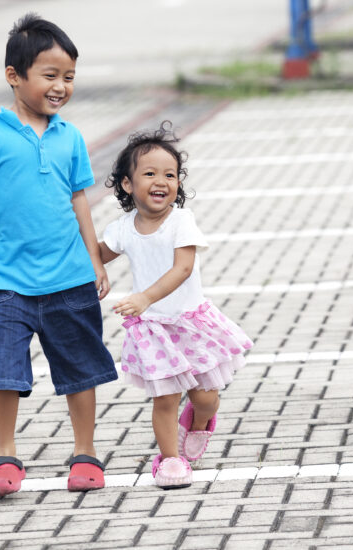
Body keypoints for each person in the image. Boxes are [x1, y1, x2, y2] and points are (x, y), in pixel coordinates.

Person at [0, 13, 117, 498]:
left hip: (70, 275)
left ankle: (85, 454)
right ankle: (6, 456)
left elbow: (80, 200)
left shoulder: (70, 137)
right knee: (4, 369)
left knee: (81, 368)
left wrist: (96, 259)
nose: (61, 86)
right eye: (50, 75)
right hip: (9, 280)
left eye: (69, 77)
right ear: (14, 76)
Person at [100, 122, 253, 489]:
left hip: (191, 323)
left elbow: (183, 268)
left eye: (170, 174)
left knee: (206, 398)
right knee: (164, 398)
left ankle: (200, 422)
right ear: (127, 184)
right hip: (153, 330)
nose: (161, 181)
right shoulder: (123, 228)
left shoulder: (181, 221)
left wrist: (143, 298)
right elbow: (94, 254)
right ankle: (170, 459)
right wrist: (92, 269)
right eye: (149, 173)